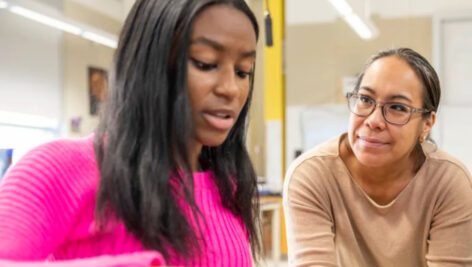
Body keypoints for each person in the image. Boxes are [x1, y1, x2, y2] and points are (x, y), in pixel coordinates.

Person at [0, 0, 260, 266]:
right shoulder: (57, 169)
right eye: (206, 64)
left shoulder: (228, 187)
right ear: (149, 61)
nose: (231, 89)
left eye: (243, 71)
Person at [283, 48, 472, 267]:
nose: (373, 120)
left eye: (397, 107)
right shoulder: (312, 175)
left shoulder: (449, 183)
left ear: (427, 124)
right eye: (365, 99)